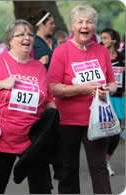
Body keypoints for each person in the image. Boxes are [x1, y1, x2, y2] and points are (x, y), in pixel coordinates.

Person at [0, 19, 56, 194]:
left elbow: (48, 100)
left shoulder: (39, 67)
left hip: (33, 139)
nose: (27, 37)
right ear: (10, 40)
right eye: (21, 34)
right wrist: (1, 84)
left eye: (30, 34)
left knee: (42, 188)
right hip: (2, 139)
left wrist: (54, 115)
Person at [47, 5, 117, 194]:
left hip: (97, 119)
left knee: (99, 167)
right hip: (68, 120)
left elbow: (112, 83)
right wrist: (83, 89)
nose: (85, 26)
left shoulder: (102, 51)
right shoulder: (61, 51)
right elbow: (53, 87)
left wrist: (105, 90)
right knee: (68, 169)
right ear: (72, 26)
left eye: (89, 22)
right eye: (80, 22)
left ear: (95, 26)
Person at [101, 28, 125, 176]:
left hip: (118, 98)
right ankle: (102, 163)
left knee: (116, 133)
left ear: (114, 40)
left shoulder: (121, 57)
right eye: (102, 38)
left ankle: (106, 159)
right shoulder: (99, 56)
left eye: (105, 38)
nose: (102, 40)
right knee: (105, 131)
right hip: (104, 97)